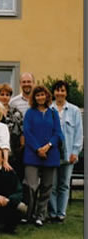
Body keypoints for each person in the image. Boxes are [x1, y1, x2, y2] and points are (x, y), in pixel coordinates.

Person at [23, 85, 64, 227]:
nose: (40, 97)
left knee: (47, 186)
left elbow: (58, 133)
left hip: (51, 154)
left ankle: (41, 215)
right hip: (32, 154)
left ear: (47, 96)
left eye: (43, 95)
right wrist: (37, 149)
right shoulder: (29, 113)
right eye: (37, 95)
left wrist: (48, 146)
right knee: (31, 186)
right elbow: (27, 132)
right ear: (34, 97)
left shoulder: (53, 113)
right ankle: (28, 214)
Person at [49, 80, 83, 222]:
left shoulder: (74, 110)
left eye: (62, 90)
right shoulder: (48, 109)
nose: (60, 93)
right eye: (57, 90)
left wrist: (75, 152)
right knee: (53, 185)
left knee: (64, 184)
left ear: (66, 92)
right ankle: (52, 212)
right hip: (52, 154)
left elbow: (78, 133)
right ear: (53, 92)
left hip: (68, 153)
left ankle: (61, 213)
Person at [0, 83, 25, 179]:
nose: (4, 97)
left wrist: (21, 146)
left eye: (7, 95)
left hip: (14, 148)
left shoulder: (16, 112)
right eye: (2, 94)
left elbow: (22, 131)